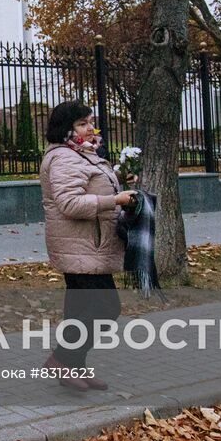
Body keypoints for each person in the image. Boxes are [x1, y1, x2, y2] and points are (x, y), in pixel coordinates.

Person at [39, 100, 136, 391]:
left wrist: (119, 181)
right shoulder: (65, 157)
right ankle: (60, 358)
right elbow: (69, 203)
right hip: (81, 246)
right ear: (66, 129)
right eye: (82, 123)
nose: (90, 128)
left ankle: (74, 367)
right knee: (107, 308)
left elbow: (88, 186)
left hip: (89, 245)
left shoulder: (83, 154)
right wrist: (114, 200)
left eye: (90, 121)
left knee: (79, 310)